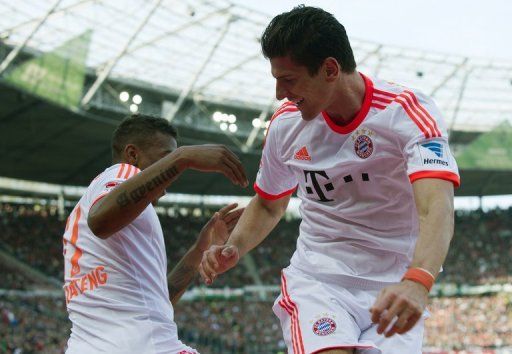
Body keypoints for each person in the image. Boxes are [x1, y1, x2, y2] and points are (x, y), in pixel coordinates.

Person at [200, 6, 459, 354]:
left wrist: (419, 280)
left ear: (330, 69)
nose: (279, 93)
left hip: (394, 287)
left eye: (288, 79)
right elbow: (268, 202)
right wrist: (235, 246)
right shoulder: (286, 125)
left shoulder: (407, 112)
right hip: (319, 281)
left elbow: (435, 204)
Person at [62, 114, 248, 353]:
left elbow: (158, 302)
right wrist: (183, 157)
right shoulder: (122, 172)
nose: (171, 173)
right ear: (132, 154)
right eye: (165, 157)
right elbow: (100, 222)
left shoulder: (91, 210)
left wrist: (199, 250)